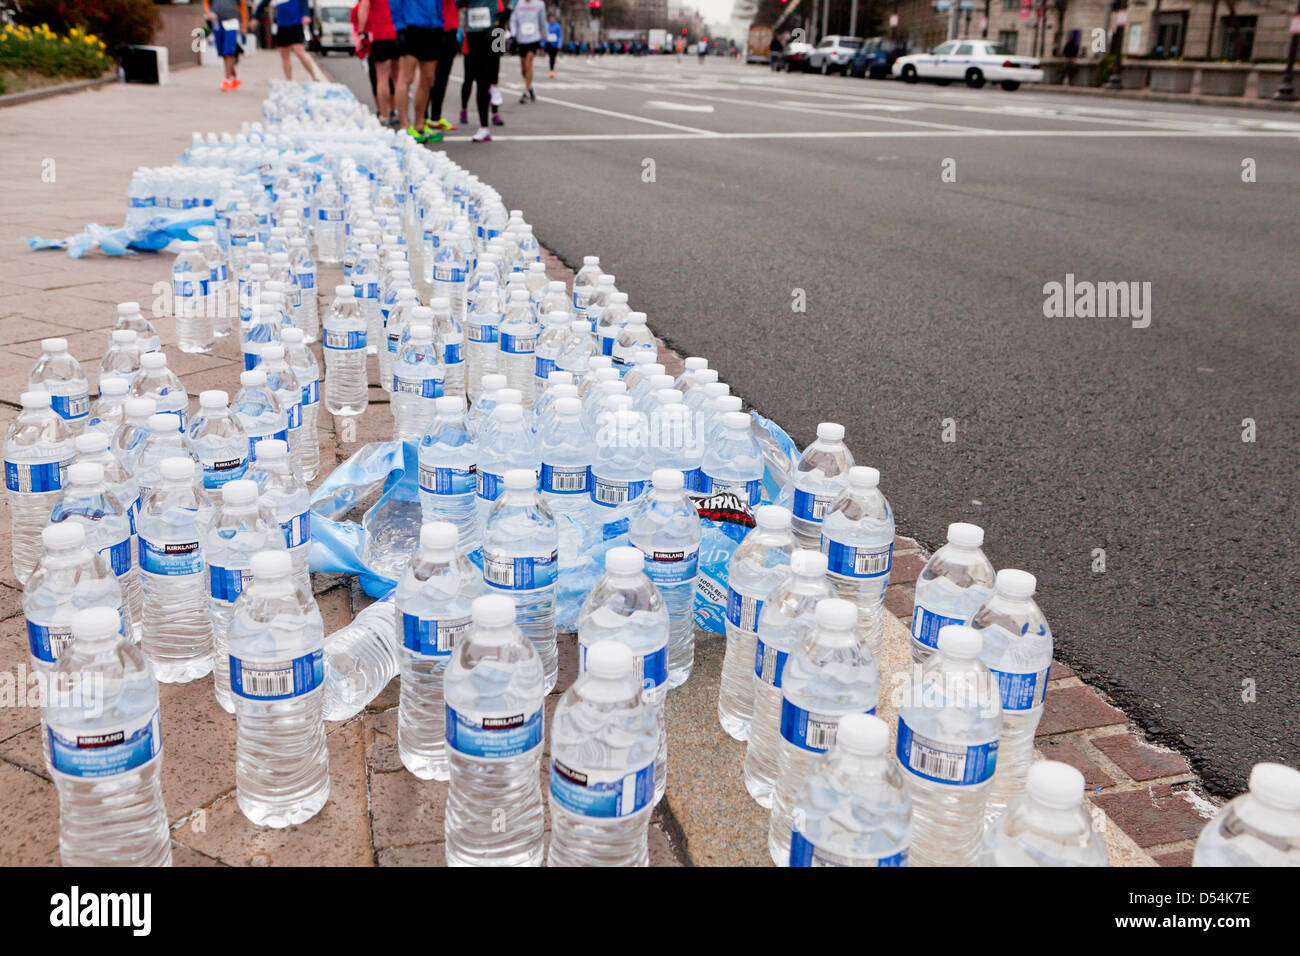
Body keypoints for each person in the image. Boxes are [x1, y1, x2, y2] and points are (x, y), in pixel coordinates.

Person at [390, 0, 445, 142]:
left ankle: (420, 124)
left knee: (428, 79)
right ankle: (404, 126)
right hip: (411, 27)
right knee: (405, 77)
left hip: (433, 27)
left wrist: (440, 22)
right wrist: (399, 27)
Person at [457, 0, 501, 141]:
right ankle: (484, 127)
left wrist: (509, 11)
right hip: (474, 31)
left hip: (495, 29)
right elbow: (458, 3)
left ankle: (495, 102)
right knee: (479, 80)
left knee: (494, 66)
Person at [254, 0, 325, 81]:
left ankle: (314, 77)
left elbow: (304, 2)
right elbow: (263, 4)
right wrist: (255, 17)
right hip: (282, 26)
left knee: (299, 52)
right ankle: (289, 80)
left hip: (295, 24)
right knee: (284, 55)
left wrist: (306, 14)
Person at [357, 0, 400, 125]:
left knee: (382, 77)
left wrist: (361, 32)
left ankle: (384, 115)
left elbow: (364, 6)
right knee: (398, 78)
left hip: (380, 33)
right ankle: (397, 112)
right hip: (398, 31)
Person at [424, 0, 460, 131]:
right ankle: (430, 118)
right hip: (443, 28)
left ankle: (429, 118)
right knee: (437, 77)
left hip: (436, 27)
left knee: (433, 77)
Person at [509, 0, 546, 103]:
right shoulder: (517, 3)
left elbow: (542, 22)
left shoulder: (539, 4)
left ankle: (526, 92)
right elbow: (513, 20)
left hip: (534, 38)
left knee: (528, 63)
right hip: (521, 39)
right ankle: (530, 87)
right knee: (523, 69)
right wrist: (513, 35)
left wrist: (544, 39)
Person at [205, 0, 247, 91]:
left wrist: (244, 24)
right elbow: (206, 3)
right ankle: (235, 78)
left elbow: (243, 7)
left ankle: (226, 80)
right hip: (217, 22)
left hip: (232, 21)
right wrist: (209, 13)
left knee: (228, 50)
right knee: (222, 52)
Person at [544, 11, 561, 78]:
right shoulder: (546, 25)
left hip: (555, 44)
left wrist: (559, 44)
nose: (552, 19)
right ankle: (551, 70)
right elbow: (544, 34)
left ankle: (552, 69)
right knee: (551, 57)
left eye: (553, 18)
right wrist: (543, 43)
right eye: (551, 18)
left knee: (553, 57)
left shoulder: (557, 25)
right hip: (548, 43)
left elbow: (559, 35)